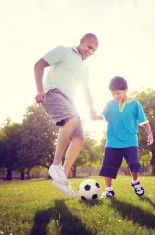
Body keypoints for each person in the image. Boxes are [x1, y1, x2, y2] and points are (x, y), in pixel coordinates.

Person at [34, 33, 98, 198]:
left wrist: (91, 107)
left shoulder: (85, 68)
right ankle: (56, 165)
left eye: (94, 50)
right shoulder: (63, 51)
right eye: (89, 46)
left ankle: (62, 181)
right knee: (73, 119)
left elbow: (86, 90)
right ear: (81, 41)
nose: (91, 51)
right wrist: (40, 90)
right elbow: (39, 65)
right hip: (53, 93)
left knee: (79, 140)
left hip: (70, 101)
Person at [93, 76, 154, 198]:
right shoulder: (110, 104)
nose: (116, 96)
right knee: (107, 166)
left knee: (134, 163)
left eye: (118, 93)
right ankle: (109, 190)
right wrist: (95, 116)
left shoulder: (135, 104)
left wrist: (150, 134)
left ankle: (135, 182)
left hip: (130, 140)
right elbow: (103, 116)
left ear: (125, 90)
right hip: (113, 141)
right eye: (113, 93)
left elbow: (144, 121)